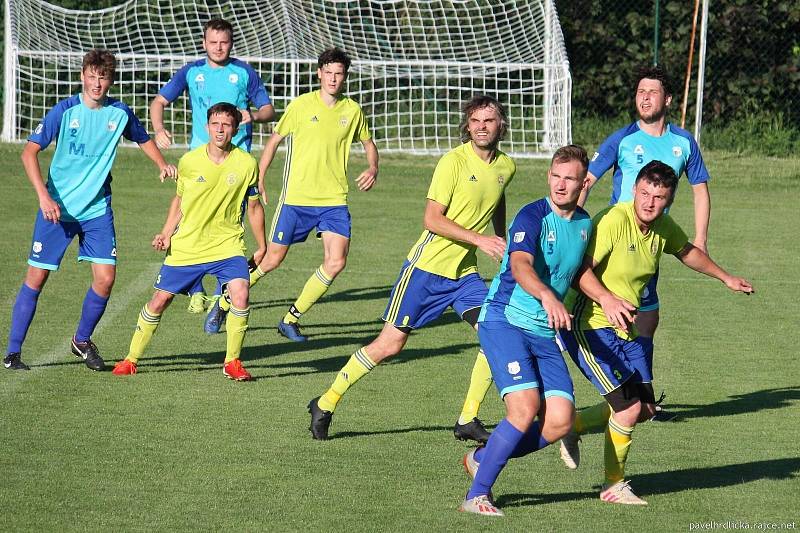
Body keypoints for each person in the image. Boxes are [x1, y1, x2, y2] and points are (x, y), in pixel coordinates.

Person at [307, 95, 516, 442]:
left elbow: (497, 196)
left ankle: (467, 418)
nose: (481, 127)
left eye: (489, 120)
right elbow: (432, 219)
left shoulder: (506, 166)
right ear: (467, 126)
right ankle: (326, 402)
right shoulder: (453, 163)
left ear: (501, 126)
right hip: (426, 269)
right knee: (389, 345)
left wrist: (500, 237)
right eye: (475, 120)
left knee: (495, 330)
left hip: (464, 275)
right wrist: (481, 240)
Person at [559, 161, 753, 505]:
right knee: (628, 410)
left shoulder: (662, 226)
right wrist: (607, 298)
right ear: (634, 189)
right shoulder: (612, 220)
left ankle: (572, 426)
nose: (649, 202)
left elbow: (687, 251)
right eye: (645, 193)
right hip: (589, 323)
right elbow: (579, 272)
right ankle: (612, 486)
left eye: (659, 197)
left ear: (669, 200)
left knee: (646, 407)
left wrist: (726, 277)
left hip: (625, 327)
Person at [4, 49, 176, 372]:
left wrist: (163, 163)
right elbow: (29, 153)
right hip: (58, 208)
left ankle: (81, 340)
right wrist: (43, 196)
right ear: (83, 75)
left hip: (96, 208)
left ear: (111, 80)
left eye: (104, 77)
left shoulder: (120, 114)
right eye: (92, 76)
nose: (97, 83)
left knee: (106, 278)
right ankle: (13, 353)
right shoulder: (64, 111)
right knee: (37, 277)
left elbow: (142, 138)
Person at [204, 47, 378, 341]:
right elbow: (274, 141)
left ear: (345, 77)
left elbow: (369, 144)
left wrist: (373, 167)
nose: (333, 79)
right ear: (319, 73)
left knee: (336, 262)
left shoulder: (352, 110)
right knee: (271, 260)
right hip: (296, 200)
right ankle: (224, 302)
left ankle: (290, 319)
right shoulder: (300, 105)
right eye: (329, 73)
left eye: (339, 74)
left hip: (334, 200)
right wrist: (260, 176)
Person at [457, 145, 593, 517]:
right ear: (549, 176)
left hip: (543, 331)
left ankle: (483, 458)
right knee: (524, 409)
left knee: (561, 420)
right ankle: (477, 495)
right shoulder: (532, 215)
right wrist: (549, 296)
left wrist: (609, 300)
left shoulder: (584, 224)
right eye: (556, 176)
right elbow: (519, 265)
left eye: (570, 178)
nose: (561, 185)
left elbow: (580, 273)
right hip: (505, 319)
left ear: (583, 183)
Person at [577, 65, 711, 423]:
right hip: (616, 240)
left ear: (667, 99)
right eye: (640, 92)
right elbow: (587, 179)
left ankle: (643, 397)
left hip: (652, 243)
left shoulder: (683, 142)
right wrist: (573, 221)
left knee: (647, 321)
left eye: (652, 92)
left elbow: (700, 189)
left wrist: (700, 238)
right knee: (601, 310)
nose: (645, 97)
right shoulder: (621, 139)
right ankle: (624, 393)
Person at [111, 102, 264, 381]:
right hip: (188, 245)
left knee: (241, 293)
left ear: (235, 128)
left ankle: (232, 362)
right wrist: (166, 232)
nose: (220, 129)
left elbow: (253, 206)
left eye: (226, 124)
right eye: (215, 124)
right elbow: (180, 202)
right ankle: (131, 359)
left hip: (227, 244)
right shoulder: (190, 162)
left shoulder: (246, 164)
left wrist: (262, 245)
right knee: (160, 300)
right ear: (207, 127)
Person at [150, 18, 273, 314]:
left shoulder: (243, 72)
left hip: (236, 164)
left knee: (230, 230)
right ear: (204, 43)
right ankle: (194, 287)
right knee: (185, 223)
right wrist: (158, 128)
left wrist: (252, 115)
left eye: (224, 42)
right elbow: (158, 102)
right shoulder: (192, 72)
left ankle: (221, 298)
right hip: (200, 160)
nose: (218, 47)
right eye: (213, 42)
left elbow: (269, 110)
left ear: (231, 44)